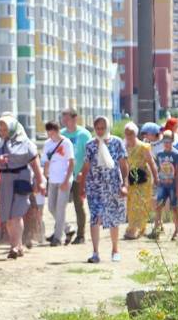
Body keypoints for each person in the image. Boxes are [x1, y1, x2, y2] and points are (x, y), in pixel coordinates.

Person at [0, 116, 44, 259]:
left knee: (17, 214)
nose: (3, 132)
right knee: (8, 216)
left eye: (5, 129)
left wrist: (40, 181)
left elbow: (35, 164)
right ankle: (17, 245)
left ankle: (15, 246)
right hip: (3, 181)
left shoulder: (26, 143)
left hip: (21, 178)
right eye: (0, 129)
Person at [80, 116, 129, 263]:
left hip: (113, 185)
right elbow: (86, 166)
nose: (100, 131)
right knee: (95, 216)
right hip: (94, 187)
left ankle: (115, 249)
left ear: (108, 127)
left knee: (113, 218)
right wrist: (82, 185)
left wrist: (125, 184)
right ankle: (95, 252)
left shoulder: (117, 143)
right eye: (97, 128)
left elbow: (123, 164)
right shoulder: (90, 145)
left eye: (103, 128)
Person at [60, 108, 92, 244]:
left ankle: (81, 235)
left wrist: (83, 173)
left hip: (79, 176)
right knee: (57, 205)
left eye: (67, 118)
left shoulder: (84, 134)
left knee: (79, 205)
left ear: (74, 118)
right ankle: (64, 231)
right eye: (63, 119)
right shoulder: (61, 134)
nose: (64, 121)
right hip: (63, 176)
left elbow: (89, 155)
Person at [122, 123, 158, 240]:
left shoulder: (143, 147)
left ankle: (136, 229)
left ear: (135, 134)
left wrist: (156, 178)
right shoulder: (124, 147)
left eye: (131, 133)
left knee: (140, 204)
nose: (129, 136)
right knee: (131, 204)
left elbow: (151, 163)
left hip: (143, 179)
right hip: (130, 179)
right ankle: (133, 227)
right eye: (127, 133)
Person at [42, 121, 75, 246]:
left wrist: (66, 180)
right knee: (51, 207)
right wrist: (45, 176)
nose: (50, 135)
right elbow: (45, 161)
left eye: (51, 132)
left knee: (60, 208)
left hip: (64, 179)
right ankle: (68, 229)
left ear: (56, 131)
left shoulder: (66, 143)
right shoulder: (47, 144)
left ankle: (57, 237)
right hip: (52, 179)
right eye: (48, 132)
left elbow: (71, 162)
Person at [149, 133, 178, 241]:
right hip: (162, 184)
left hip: (173, 184)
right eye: (164, 142)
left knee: (174, 208)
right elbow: (159, 168)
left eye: (168, 142)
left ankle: (177, 231)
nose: (166, 144)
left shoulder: (176, 154)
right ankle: (157, 229)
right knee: (158, 206)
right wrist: (156, 180)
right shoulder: (159, 154)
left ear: (172, 142)